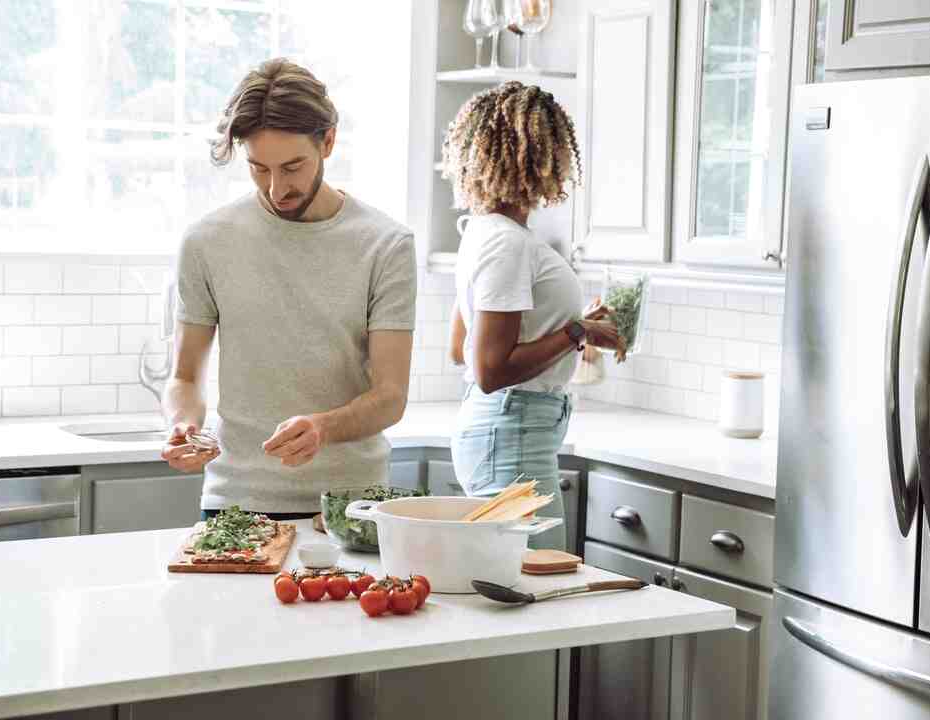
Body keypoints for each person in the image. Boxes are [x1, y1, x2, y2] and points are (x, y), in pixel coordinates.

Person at [160, 59, 416, 522]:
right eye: (259, 169)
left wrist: (324, 427)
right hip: (236, 503)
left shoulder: (386, 245)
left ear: (329, 142)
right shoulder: (207, 242)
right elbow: (184, 377)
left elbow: (391, 395)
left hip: (349, 507)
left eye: (293, 166)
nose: (277, 189)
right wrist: (183, 425)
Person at [443, 81, 624, 550]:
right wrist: (576, 330)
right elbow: (488, 370)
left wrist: (574, 327)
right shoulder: (507, 243)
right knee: (535, 586)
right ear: (544, 153)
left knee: (520, 586)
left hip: (506, 431)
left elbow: (460, 347)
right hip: (512, 432)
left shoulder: (483, 233)